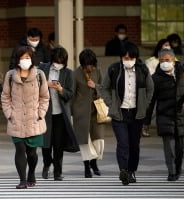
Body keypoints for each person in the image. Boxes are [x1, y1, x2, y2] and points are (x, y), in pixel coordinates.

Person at [100, 41, 154, 185]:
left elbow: (150, 89)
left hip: (137, 113)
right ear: (121, 58)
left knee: (134, 144)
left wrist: (145, 105)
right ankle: (123, 170)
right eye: (125, 58)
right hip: (119, 113)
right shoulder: (114, 69)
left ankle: (131, 171)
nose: (128, 61)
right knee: (123, 143)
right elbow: (104, 88)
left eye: (130, 58)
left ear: (135, 58)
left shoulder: (143, 70)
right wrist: (111, 104)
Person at [2, 46, 49, 189]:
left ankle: (31, 174)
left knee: (32, 153)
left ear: (32, 59)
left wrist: (40, 113)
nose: (25, 60)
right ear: (17, 60)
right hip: (16, 120)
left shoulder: (40, 75)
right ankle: (22, 180)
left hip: (34, 119)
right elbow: (5, 97)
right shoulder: (10, 75)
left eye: (27, 58)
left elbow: (44, 97)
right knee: (20, 149)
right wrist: (9, 114)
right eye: (22, 58)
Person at [39, 46, 79, 181]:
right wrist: (46, 85)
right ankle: (46, 164)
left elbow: (71, 94)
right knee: (45, 143)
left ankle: (57, 171)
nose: (58, 64)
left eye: (61, 61)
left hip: (61, 114)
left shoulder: (69, 73)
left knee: (58, 144)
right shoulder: (43, 69)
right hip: (45, 112)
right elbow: (34, 86)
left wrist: (61, 89)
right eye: (56, 61)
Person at [145, 49, 184, 181]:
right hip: (164, 116)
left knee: (180, 149)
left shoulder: (182, 74)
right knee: (169, 147)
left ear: (173, 61)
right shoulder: (155, 78)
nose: (164, 63)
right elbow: (150, 101)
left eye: (167, 60)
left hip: (181, 116)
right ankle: (172, 171)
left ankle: (178, 169)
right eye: (161, 61)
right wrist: (147, 120)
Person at [71, 49, 105, 178]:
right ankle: (87, 166)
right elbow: (72, 94)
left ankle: (94, 163)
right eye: (86, 65)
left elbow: (104, 88)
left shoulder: (98, 71)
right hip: (81, 113)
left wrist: (94, 86)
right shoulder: (75, 74)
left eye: (91, 64)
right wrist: (72, 112)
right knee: (85, 141)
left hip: (97, 111)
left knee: (98, 140)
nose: (89, 67)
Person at [143, 38, 171, 137]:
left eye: (168, 45)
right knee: (149, 107)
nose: (167, 47)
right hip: (154, 86)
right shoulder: (151, 61)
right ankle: (145, 126)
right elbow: (150, 76)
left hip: (167, 87)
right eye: (165, 45)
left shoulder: (173, 60)